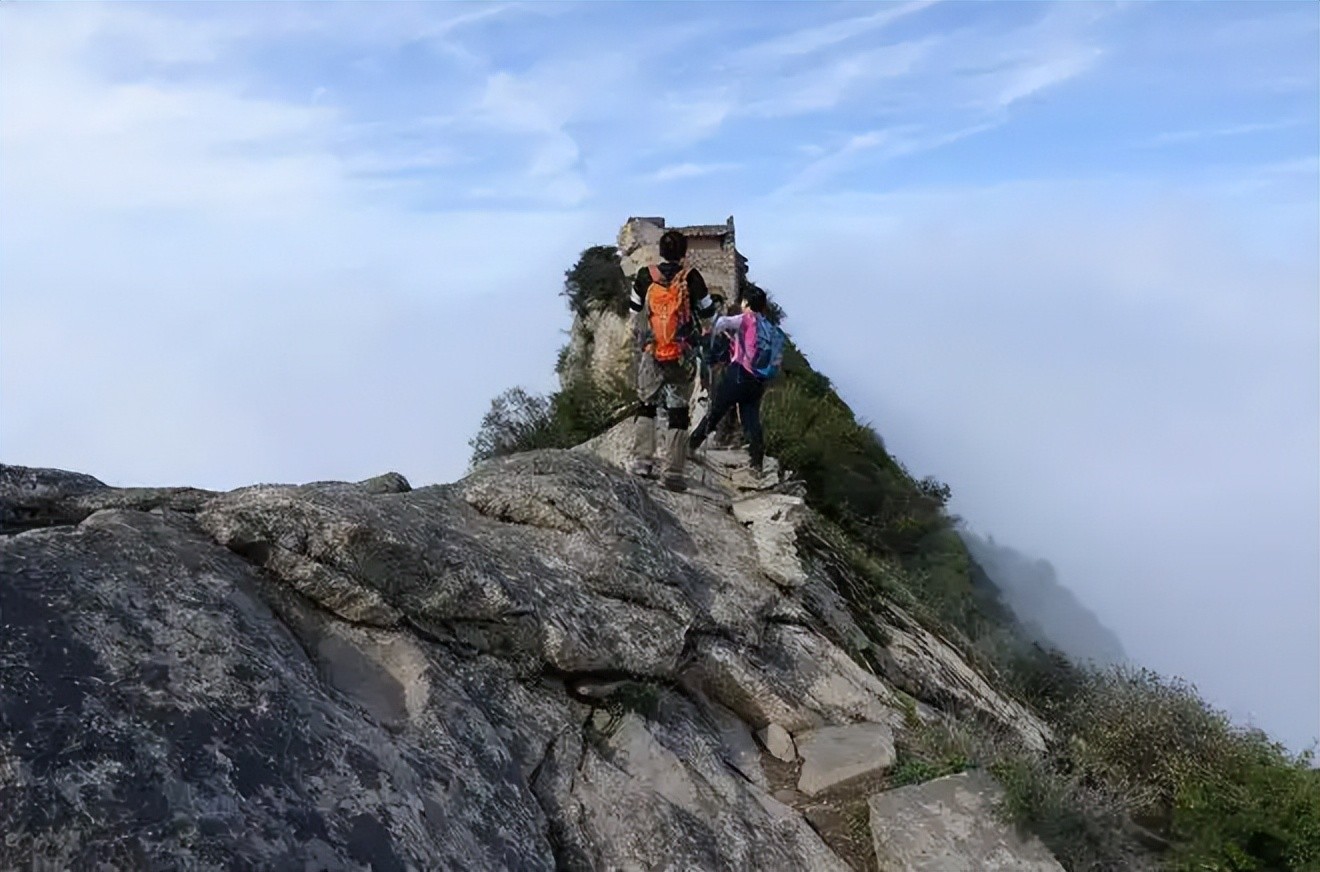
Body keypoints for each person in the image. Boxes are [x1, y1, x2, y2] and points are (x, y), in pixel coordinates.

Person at [629, 229, 717, 491]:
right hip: (681, 354)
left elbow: (634, 310)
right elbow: (709, 314)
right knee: (678, 412)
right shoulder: (692, 277)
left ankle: (642, 462)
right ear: (684, 253)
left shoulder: (645, 276)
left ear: (660, 251)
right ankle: (673, 474)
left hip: (652, 351)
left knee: (646, 404)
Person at [687, 286, 781, 480]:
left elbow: (721, 323)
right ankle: (756, 464)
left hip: (738, 374)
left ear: (747, 302)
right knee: (751, 420)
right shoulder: (770, 328)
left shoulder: (745, 319)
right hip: (757, 382)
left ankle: (691, 446)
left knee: (716, 411)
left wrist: (709, 325)